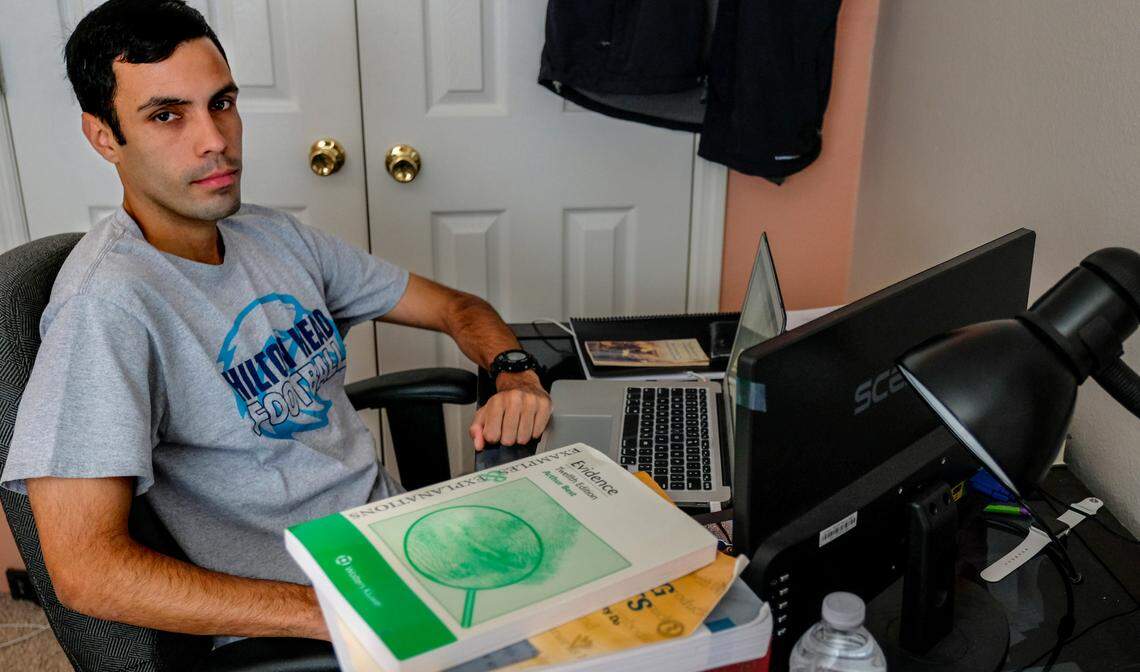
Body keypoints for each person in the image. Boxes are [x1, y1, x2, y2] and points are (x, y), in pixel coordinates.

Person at [0, 0, 551, 643]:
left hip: (407, 542)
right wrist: (340, 615)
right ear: (104, 137)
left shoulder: (268, 234)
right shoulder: (106, 308)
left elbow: (458, 308)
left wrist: (514, 373)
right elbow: (84, 570)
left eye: (222, 103)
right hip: (315, 611)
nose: (214, 140)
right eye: (167, 116)